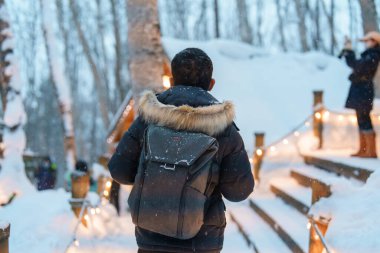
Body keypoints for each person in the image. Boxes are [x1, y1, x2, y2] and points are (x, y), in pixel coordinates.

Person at [108, 48, 254, 253]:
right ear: (211, 84)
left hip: (151, 236)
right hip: (202, 241)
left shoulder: (148, 118)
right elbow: (239, 191)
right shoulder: (224, 129)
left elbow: (119, 170)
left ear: (171, 79)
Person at [340, 32, 380, 158]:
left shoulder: (374, 55)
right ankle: (363, 149)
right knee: (360, 119)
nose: (366, 43)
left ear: (374, 41)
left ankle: (371, 151)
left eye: (367, 41)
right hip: (360, 89)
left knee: (365, 118)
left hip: (364, 90)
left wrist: (349, 51)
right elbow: (356, 64)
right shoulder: (368, 55)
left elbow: (357, 65)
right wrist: (348, 51)